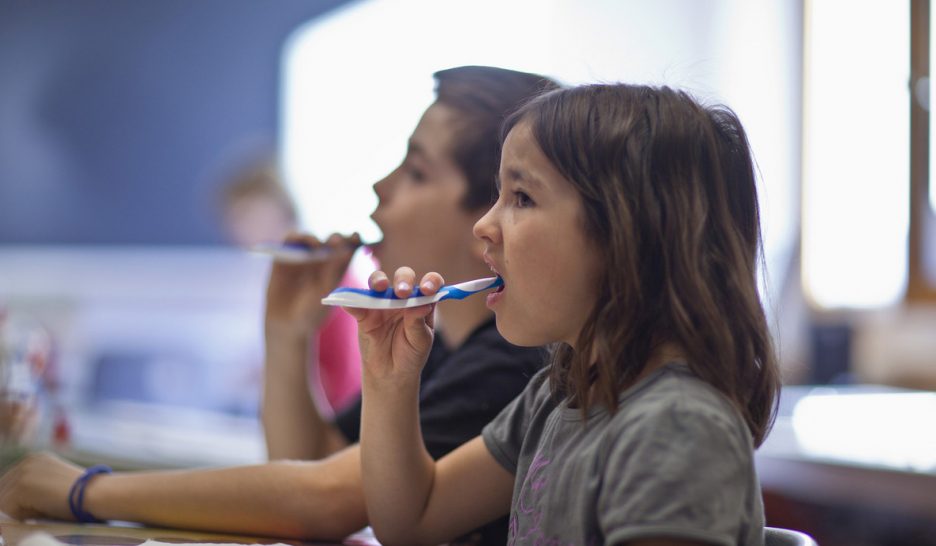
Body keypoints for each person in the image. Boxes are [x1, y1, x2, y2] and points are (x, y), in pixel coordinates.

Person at [0, 66, 558, 545]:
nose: (379, 187)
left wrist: (85, 490)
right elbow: (312, 460)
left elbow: (328, 498)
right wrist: (287, 332)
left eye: (416, 172)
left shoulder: (512, 361)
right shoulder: (439, 349)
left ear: (489, 217)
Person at [347, 83, 782, 546]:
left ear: (626, 235)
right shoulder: (559, 396)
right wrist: (390, 378)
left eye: (522, 198)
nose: (483, 226)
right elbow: (413, 519)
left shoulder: (677, 428)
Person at [219, 155, 362, 414]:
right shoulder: (290, 269)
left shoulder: (320, 273)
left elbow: (337, 377)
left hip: (333, 415)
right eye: (232, 218)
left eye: (246, 213)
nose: (236, 229)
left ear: (278, 206)